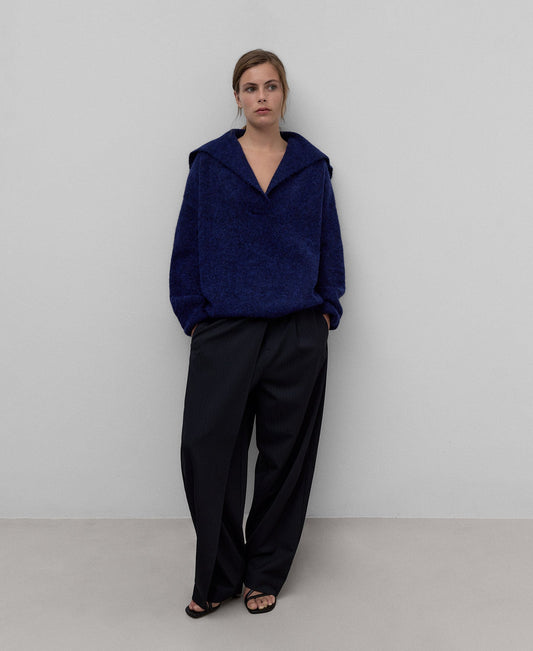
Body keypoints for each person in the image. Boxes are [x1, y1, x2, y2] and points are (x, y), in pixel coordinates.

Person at [169, 49, 345, 618]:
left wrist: (326, 310)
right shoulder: (211, 165)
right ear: (237, 97)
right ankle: (218, 576)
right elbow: (187, 247)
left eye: (271, 86)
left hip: (297, 331)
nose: (261, 96)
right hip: (225, 330)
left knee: (285, 460)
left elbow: (329, 244)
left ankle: (264, 571)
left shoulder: (311, 167)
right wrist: (195, 315)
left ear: (284, 95)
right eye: (250, 87)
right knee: (207, 454)